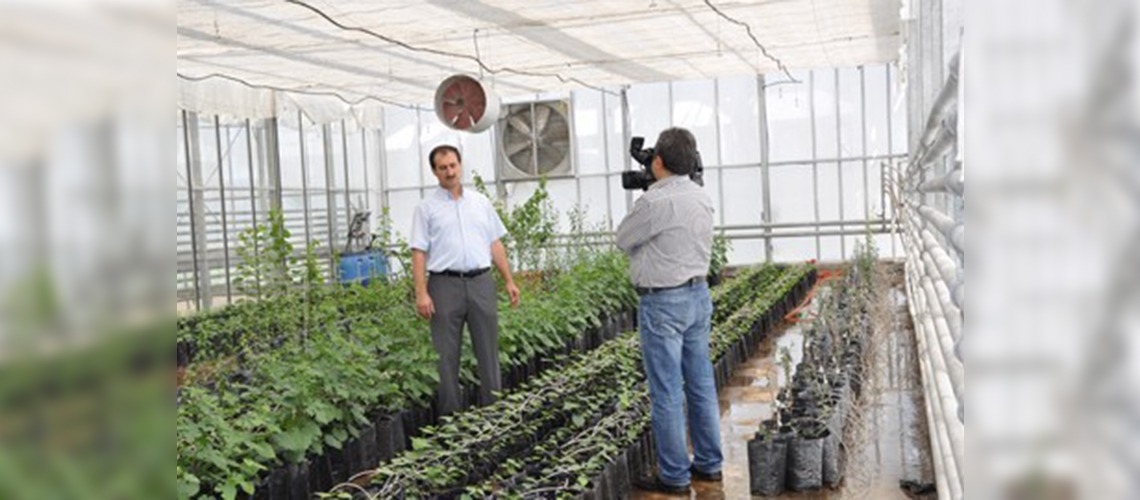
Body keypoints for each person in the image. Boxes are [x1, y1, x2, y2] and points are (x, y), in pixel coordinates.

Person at [616, 127, 722, 495]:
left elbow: (623, 239)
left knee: (666, 391)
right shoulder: (701, 196)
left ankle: (675, 475)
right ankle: (709, 464)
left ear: (658, 161)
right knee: (701, 383)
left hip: (663, 303)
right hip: (698, 296)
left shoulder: (654, 202)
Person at [411, 145, 521, 417]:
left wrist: (509, 280)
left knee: (488, 350)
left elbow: (495, 243)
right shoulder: (426, 208)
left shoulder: (480, 202)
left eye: (453, 165)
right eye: (443, 168)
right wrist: (421, 293)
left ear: (460, 165)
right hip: (444, 285)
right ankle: (450, 418)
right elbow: (419, 252)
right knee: (446, 354)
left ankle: (493, 413)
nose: (449, 172)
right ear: (434, 172)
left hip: (481, 282)